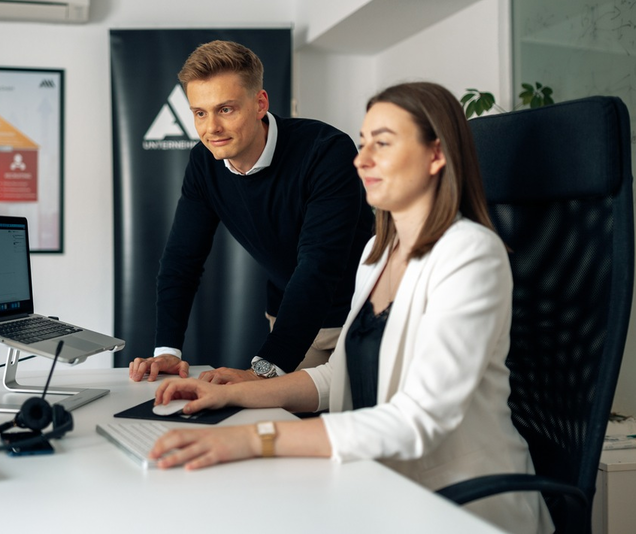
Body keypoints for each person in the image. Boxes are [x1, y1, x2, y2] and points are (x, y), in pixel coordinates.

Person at [146, 82, 554, 534]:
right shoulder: (376, 253)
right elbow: (339, 376)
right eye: (362, 145)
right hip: (378, 489)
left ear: (436, 155)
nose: (361, 161)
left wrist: (252, 437)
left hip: (460, 507)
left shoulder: (471, 254)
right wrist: (233, 393)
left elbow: (418, 418)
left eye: (381, 144)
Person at [129, 41, 374, 384]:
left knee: (360, 424)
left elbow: (318, 266)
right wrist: (167, 351)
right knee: (283, 423)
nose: (211, 128)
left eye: (225, 109)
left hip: (361, 315)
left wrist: (264, 370)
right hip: (289, 316)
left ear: (260, 104)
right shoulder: (204, 162)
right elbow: (181, 261)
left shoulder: (325, 151)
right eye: (200, 113)